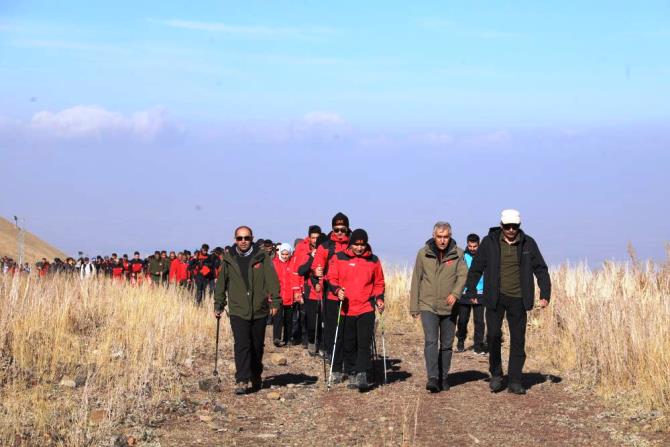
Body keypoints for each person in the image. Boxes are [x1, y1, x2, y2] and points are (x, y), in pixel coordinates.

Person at [464, 209, 551, 395]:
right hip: (495, 298)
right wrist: (470, 289)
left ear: (519, 226)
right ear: (501, 225)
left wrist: (545, 293)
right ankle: (496, 374)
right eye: (508, 226)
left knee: (518, 340)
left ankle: (515, 380)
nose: (511, 230)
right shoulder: (489, 242)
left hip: (519, 299)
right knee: (493, 336)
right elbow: (476, 267)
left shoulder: (528, 243)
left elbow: (541, 269)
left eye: (515, 226)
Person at [214, 226, 281, 395]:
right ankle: (242, 379)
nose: (243, 241)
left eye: (246, 238)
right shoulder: (229, 259)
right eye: (239, 238)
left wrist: (275, 302)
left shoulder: (262, 257)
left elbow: (272, 279)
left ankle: (256, 374)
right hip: (238, 309)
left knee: (257, 345)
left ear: (252, 238)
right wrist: (218, 304)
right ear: (235, 239)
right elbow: (221, 283)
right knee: (242, 344)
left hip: (259, 308)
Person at [410, 222, 468, 393]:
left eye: (446, 237)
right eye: (439, 237)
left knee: (447, 344)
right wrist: (415, 307)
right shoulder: (423, 253)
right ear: (433, 236)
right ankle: (433, 378)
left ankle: (444, 377)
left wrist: (456, 294)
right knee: (431, 341)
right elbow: (416, 280)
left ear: (450, 236)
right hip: (428, 304)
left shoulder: (458, 253)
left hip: (450, 307)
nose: (442, 240)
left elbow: (463, 275)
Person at [328, 229, 385, 391]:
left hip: (366, 307)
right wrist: (337, 290)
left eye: (362, 244)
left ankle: (362, 373)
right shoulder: (339, 258)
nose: (359, 248)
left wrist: (379, 299)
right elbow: (331, 278)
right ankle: (351, 371)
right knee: (349, 343)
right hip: (346, 308)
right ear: (350, 243)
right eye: (356, 244)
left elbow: (379, 283)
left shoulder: (374, 260)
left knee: (364, 341)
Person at [312, 212, 351, 363]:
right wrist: (317, 272)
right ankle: (332, 353)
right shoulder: (325, 246)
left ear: (348, 228)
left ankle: (348, 357)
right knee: (331, 326)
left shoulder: (354, 245)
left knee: (348, 327)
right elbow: (316, 266)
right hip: (330, 293)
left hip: (351, 293)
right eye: (336, 229)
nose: (340, 232)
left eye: (343, 229)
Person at [294, 225, 325, 355]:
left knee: (324, 320)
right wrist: (312, 257)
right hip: (309, 289)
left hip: (324, 289)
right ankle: (311, 341)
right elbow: (300, 270)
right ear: (309, 237)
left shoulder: (326, 248)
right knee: (311, 319)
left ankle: (323, 345)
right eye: (313, 237)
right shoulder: (303, 249)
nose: (315, 240)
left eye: (317, 237)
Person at [456, 233, 487, 354]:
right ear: (467, 245)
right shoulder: (463, 257)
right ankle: (460, 340)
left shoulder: (485, 257)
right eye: (470, 246)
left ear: (479, 245)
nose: (473, 248)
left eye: (475, 246)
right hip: (465, 293)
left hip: (480, 293)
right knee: (463, 320)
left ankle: (478, 347)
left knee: (479, 321)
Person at [272, 243, 302, 347]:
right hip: (278, 296)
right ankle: (276, 338)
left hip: (290, 296)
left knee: (288, 319)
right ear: (280, 253)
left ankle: (288, 338)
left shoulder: (293, 264)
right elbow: (271, 281)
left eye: (287, 254)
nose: (285, 256)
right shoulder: (275, 263)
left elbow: (296, 280)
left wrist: (297, 293)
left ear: (290, 254)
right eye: (283, 254)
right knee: (278, 318)